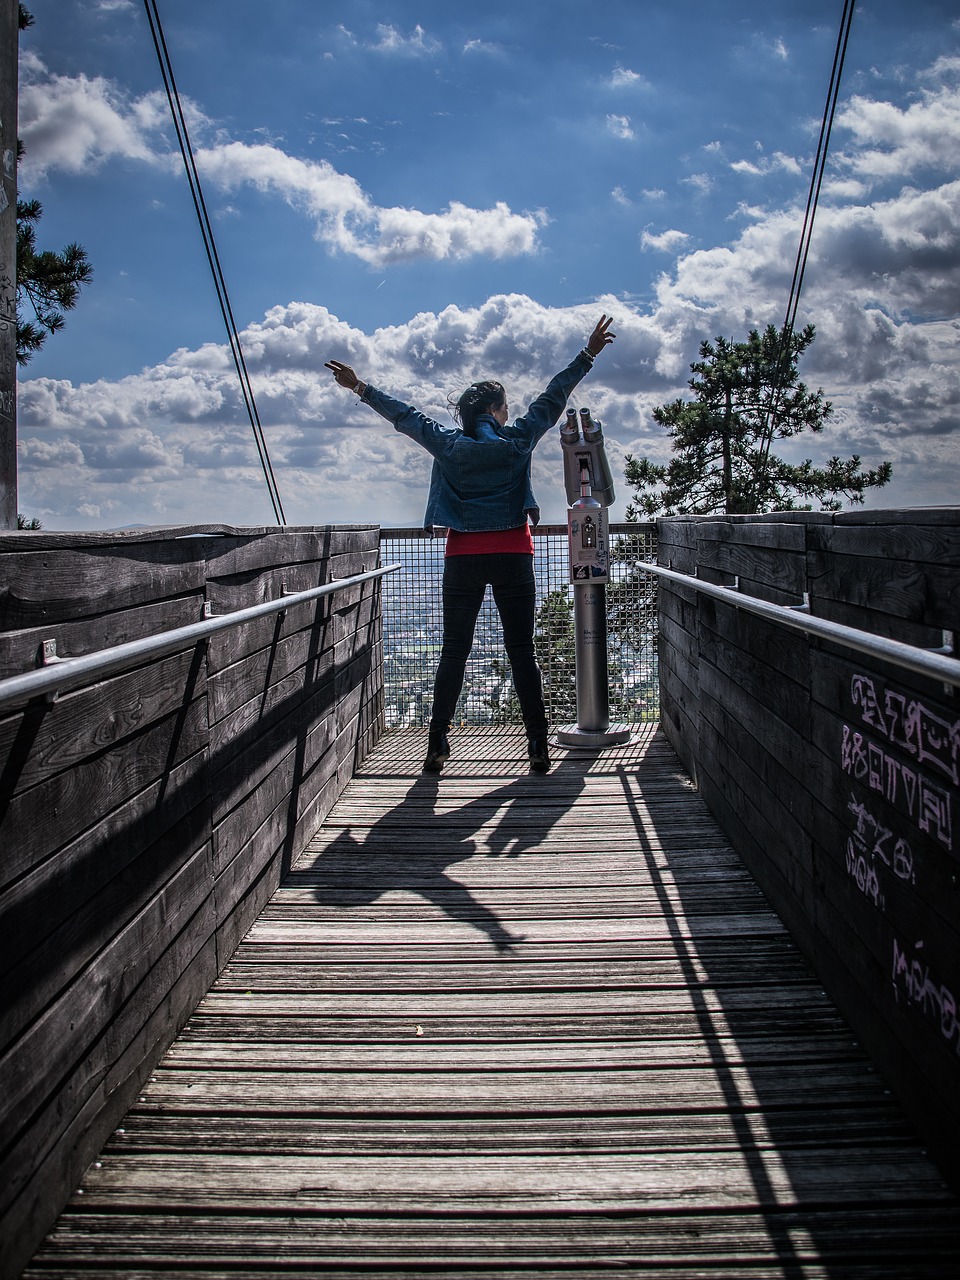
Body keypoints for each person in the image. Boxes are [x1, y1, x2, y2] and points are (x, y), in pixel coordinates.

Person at [325, 314, 616, 774]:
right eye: (505, 406)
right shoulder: (518, 440)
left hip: (462, 556)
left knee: (454, 650)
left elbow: (407, 417)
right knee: (522, 650)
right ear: (497, 410)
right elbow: (554, 397)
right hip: (513, 555)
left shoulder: (450, 445)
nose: (508, 412)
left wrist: (360, 387)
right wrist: (588, 354)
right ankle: (537, 746)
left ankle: (437, 743)